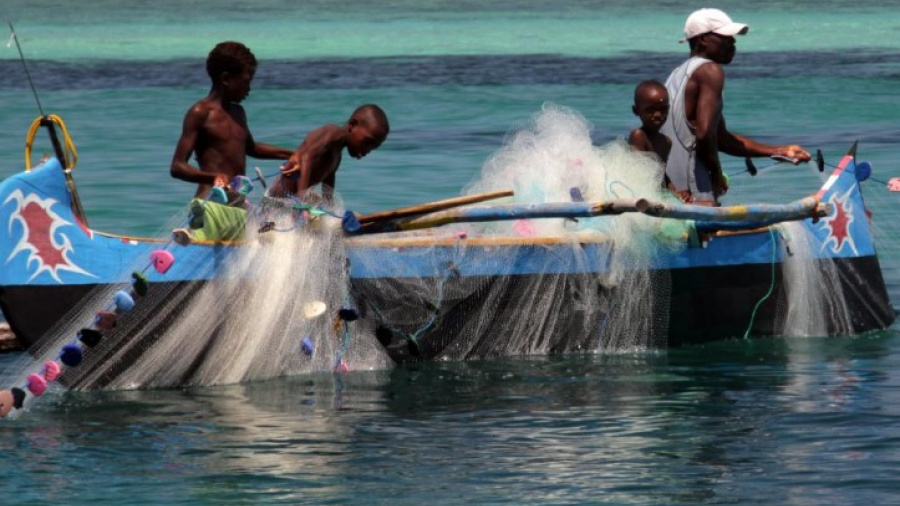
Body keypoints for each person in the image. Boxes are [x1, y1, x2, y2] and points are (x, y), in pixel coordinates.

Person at [660, 8, 811, 206]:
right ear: (703, 39)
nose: (733, 43)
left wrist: (778, 151)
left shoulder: (676, 75)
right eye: (726, 37)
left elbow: (720, 138)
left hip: (671, 193)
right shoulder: (710, 70)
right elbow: (705, 135)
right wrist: (716, 174)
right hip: (693, 192)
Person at [169, 41, 293, 243]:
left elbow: (252, 148)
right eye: (246, 81)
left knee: (271, 231)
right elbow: (177, 166)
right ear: (226, 79)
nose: (249, 89)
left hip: (238, 207)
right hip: (211, 206)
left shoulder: (238, 113)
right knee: (197, 244)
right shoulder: (200, 113)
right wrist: (213, 177)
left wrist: (291, 154)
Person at [269, 104, 390, 200]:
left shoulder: (336, 156)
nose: (367, 150)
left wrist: (331, 211)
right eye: (367, 142)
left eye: (373, 147)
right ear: (352, 125)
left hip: (291, 202)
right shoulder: (332, 133)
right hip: (278, 203)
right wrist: (302, 203)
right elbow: (306, 158)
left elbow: (327, 189)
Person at [628, 80, 684, 199]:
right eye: (650, 110)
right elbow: (638, 175)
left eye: (663, 109)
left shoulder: (666, 142)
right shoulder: (638, 136)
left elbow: (661, 175)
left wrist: (677, 193)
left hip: (653, 195)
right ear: (636, 111)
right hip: (637, 195)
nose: (658, 115)